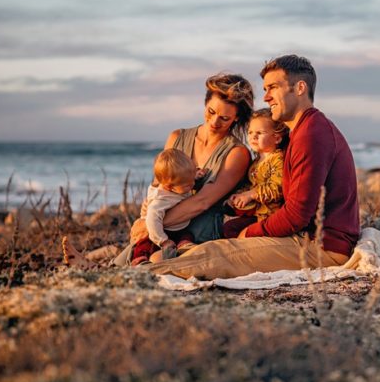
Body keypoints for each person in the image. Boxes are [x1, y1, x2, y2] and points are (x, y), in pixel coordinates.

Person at [150, 54, 360, 280]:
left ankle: (138, 277)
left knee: (212, 255)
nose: (266, 97)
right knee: (218, 243)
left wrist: (251, 232)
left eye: (272, 87)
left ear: (300, 88)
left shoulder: (312, 134)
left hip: (320, 247)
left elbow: (296, 215)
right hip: (305, 238)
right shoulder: (301, 131)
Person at [62, 73, 254, 268]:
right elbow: (159, 186)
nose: (214, 122)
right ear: (205, 104)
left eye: (224, 118)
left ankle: (105, 270)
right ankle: (103, 269)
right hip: (164, 217)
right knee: (144, 249)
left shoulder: (236, 153)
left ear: (236, 118)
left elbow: (202, 202)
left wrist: (152, 224)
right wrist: (145, 217)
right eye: (211, 112)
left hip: (200, 224)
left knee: (156, 258)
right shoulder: (177, 137)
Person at [222, 109, 289, 239]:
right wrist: (240, 195)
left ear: (277, 138)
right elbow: (251, 184)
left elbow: (277, 188)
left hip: (271, 217)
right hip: (256, 214)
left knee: (235, 230)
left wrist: (251, 194)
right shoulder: (256, 162)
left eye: (260, 133)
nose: (253, 136)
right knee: (229, 227)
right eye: (250, 132)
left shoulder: (278, 160)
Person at [131, 148, 198, 266]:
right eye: (188, 184)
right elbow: (152, 220)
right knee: (144, 244)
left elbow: (187, 179)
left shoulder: (179, 183)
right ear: (169, 187)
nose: (193, 184)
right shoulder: (161, 200)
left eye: (193, 179)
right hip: (157, 231)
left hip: (178, 228)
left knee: (188, 235)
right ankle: (140, 259)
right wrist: (163, 240)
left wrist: (196, 175)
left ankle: (184, 246)